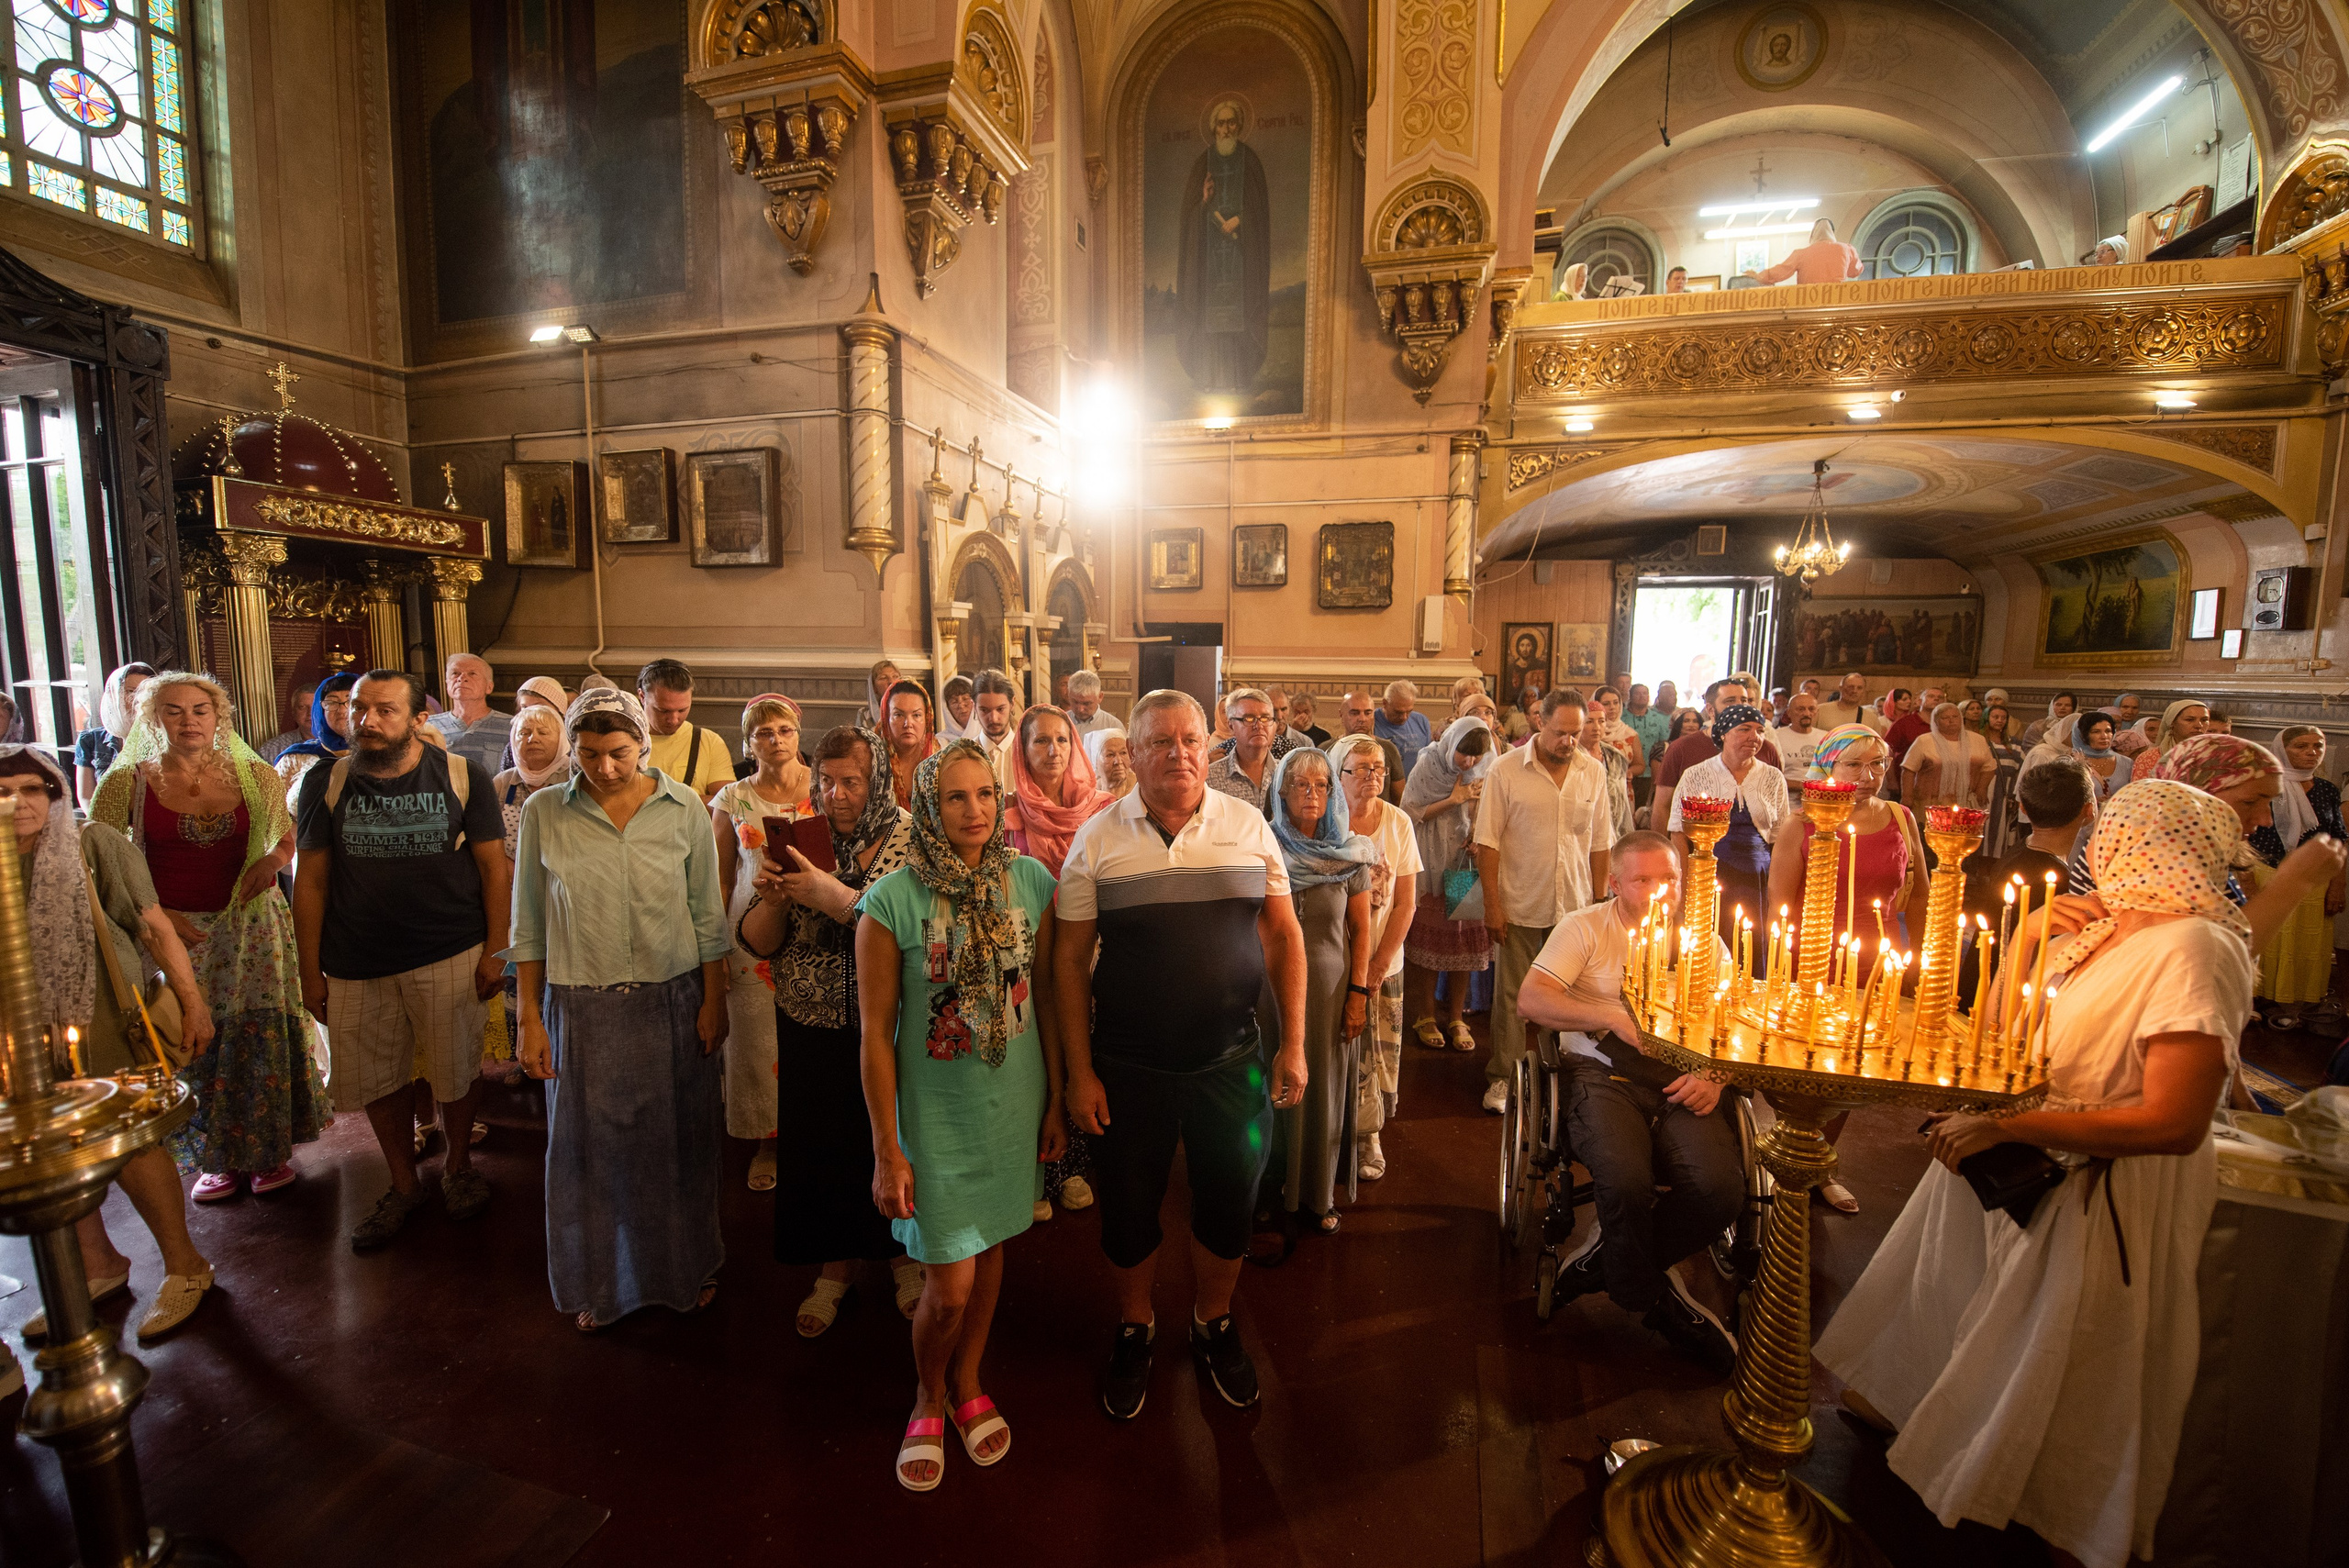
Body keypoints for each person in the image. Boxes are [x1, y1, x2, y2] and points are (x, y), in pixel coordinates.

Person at [1816, 782, 2251, 1568]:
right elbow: (1990, 1040)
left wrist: (2007, 1124)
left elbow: (2174, 1121)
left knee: (2066, 1367)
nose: (2101, 843)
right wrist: (2028, 939)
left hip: (2096, 1183)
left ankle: (2038, 1518)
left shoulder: (2195, 947)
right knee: (1965, 1325)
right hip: (2005, 1160)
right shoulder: (2099, 931)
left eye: (2114, 830)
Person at [1051, 690, 1307, 1421]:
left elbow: (1285, 937)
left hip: (1233, 1062)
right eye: (1159, 741)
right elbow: (1069, 962)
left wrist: (1292, 1043)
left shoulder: (1248, 824)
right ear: (1130, 753)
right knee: (1129, 1210)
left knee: (1229, 1202)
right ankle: (1136, 1326)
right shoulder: (1097, 840)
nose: (1178, 753)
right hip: (1127, 1067)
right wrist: (1080, 1071)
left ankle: (1213, 1321)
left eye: (1191, 738)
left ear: (1209, 743)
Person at [860, 738, 1061, 1490]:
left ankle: (970, 1381)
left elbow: (1046, 999)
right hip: (935, 1118)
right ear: (928, 807)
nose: (974, 810)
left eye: (985, 794)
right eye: (955, 797)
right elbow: (875, 1035)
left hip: (1012, 1105)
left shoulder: (1033, 882)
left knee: (995, 1241)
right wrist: (889, 1149)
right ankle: (929, 1391)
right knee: (947, 1285)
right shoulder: (892, 900)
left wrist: (1057, 1102)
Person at [512, 688, 731, 1332]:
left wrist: (714, 998)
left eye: (617, 753)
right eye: (588, 754)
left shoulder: (682, 805)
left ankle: (684, 1272)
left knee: (680, 1147)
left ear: (642, 744)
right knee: (590, 1154)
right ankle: (598, 1282)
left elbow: (706, 914)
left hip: (673, 996)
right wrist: (529, 1015)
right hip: (582, 1004)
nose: (603, 768)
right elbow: (528, 924)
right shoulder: (547, 811)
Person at [2, 746, 217, 1348]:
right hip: (19, 1030)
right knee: (53, 1152)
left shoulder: (92, 844)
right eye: (3, 791)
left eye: (31, 787)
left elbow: (154, 926)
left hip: (102, 1018)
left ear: (54, 793)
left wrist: (193, 1001)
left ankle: (185, 1265)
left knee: (129, 1143)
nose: (18, 802)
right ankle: (97, 1266)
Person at [292, 671, 508, 1250]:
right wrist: (309, 970)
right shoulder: (326, 782)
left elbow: (494, 867)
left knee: (456, 1068)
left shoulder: (462, 776)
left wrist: (497, 951)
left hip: (449, 949)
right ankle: (402, 1183)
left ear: (419, 720)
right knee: (377, 1079)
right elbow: (309, 880)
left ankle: (460, 1168)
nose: (367, 720)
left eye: (385, 710)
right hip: (357, 958)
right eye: (360, 709)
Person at [91, 673, 327, 1202]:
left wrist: (270, 860)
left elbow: (289, 838)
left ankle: (268, 1153)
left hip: (252, 928)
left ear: (219, 716)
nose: (189, 720)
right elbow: (102, 863)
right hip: (173, 934)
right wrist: (160, 912)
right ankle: (215, 1159)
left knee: (259, 1034)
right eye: (174, 711)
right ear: (153, 718)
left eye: (201, 709)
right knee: (193, 1038)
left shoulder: (255, 775)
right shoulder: (125, 783)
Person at [1516, 831, 1741, 1374]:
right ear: (1614, 883)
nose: (1658, 890)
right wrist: (1612, 1015)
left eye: (1667, 878)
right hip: (1602, 1074)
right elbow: (1531, 999)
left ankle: (1602, 1265)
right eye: (1642, 879)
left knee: (1720, 1190)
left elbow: (1735, 1021)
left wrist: (1716, 1074)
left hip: (1683, 1080)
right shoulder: (1586, 927)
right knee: (1624, 1181)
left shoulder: (1702, 941)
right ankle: (1656, 1298)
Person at [737, 725, 920, 1337]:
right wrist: (778, 898)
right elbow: (758, 941)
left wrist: (829, 892)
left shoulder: (911, 837)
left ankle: (901, 1254)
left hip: (891, 1025)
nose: (837, 794)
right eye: (826, 780)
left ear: (878, 782)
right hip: (811, 1021)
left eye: (852, 780)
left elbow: (908, 927)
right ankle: (834, 1266)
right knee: (823, 1149)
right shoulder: (798, 840)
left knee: (889, 1144)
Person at [1764, 725, 1929, 1213]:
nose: (1868, 776)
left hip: (1879, 957)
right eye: (1854, 764)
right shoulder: (1802, 824)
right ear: (1828, 765)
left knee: (1854, 1069)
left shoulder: (1900, 816)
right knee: (1805, 1068)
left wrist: (1922, 959)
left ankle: (1822, 1165)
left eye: (1877, 764)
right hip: (1813, 956)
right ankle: (1787, 1155)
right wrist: (1785, 968)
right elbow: (1779, 904)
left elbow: (1918, 891)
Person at [1252, 746, 1377, 1240]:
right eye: (1300, 785)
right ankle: (1265, 1188)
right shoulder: (1261, 849)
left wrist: (1359, 994)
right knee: (1264, 1086)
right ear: (1281, 794)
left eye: (1321, 785)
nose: (1311, 794)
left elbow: (1361, 933)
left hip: (1328, 993)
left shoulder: (1351, 853)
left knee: (1323, 1088)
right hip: (1268, 991)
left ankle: (1317, 1195)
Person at [1475, 689, 1609, 1115]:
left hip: (1574, 906)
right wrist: (1493, 906)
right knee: (1513, 996)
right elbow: (1487, 842)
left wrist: (1601, 902)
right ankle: (1504, 1077)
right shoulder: (1506, 769)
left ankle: (1570, 1075)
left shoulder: (1592, 771)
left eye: (1576, 733)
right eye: (1560, 733)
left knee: (1575, 995)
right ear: (1540, 724)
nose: (1569, 742)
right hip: (1520, 900)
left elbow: (1601, 843)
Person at [1003, 704, 1116, 1218]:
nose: (1052, 751)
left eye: (1061, 741)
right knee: (1038, 1055)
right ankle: (1036, 1170)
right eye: (1039, 742)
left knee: (1085, 1053)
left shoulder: (1102, 810)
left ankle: (1073, 1165)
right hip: (1026, 954)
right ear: (1021, 752)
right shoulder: (1005, 816)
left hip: (1089, 952)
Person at [710, 695, 815, 1193]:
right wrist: (715, 950)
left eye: (784, 730)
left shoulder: (824, 787)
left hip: (818, 927)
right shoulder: (732, 798)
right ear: (748, 742)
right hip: (749, 931)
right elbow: (721, 878)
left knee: (814, 1031)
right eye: (763, 733)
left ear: (799, 733)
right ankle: (767, 1140)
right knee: (755, 1039)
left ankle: (815, 1136)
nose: (775, 740)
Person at [1328, 734, 1419, 1183]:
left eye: (1379, 768)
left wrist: (1379, 965)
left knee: (1378, 1052)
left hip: (1385, 960)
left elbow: (1405, 903)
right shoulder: (1324, 822)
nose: (1373, 777)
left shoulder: (1398, 823)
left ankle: (1369, 1134)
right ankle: (1329, 1133)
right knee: (1335, 1050)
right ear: (1338, 774)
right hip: (1333, 962)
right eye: (1361, 769)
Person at [1402, 716, 1496, 1052]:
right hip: (1431, 862)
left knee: (1463, 942)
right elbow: (1411, 811)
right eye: (1463, 754)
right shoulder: (1429, 763)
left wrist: (1477, 833)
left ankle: (1456, 1016)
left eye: (1474, 756)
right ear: (1450, 744)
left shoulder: (1484, 765)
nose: (1469, 762)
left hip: (1463, 863)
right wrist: (1455, 799)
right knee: (1431, 944)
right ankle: (1425, 1015)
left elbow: (1490, 807)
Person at [2246, 725, 2345, 1032]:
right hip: (2267, 873)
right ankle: (2259, 1002)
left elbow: (2338, 839)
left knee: (2307, 941)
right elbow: (2245, 837)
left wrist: (2337, 885)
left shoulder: (2326, 790)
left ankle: (2296, 1003)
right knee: (2269, 939)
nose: (2311, 753)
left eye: (2318, 746)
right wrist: (2247, 880)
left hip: (2313, 879)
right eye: (2301, 746)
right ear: (2281, 749)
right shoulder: (2265, 785)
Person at [1667, 705, 1788, 938]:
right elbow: (1678, 834)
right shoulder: (1696, 774)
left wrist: (1776, 888)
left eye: (1760, 730)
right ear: (1723, 733)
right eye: (1744, 729)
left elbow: (1780, 838)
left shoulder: (1772, 776)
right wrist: (1684, 886)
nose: (1754, 737)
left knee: (1752, 942)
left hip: (1758, 878)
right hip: (1709, 873)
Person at [638, 658, 735, 801]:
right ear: (642, 697)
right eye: (663, 711)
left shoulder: (709, 742)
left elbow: (728, 804)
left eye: (682, 710)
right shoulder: (624, 740)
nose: (674, 719)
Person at [273, 671, 357, 806]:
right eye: (332, 702)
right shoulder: (296, 758)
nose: (341, 710)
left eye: (350, 701)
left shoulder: (384, 754)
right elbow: (272, 813)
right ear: (321, 710)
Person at [76, 662, 153, 805]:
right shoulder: (90, 740)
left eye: (146, 692)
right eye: (131, 691)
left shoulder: (163, 737)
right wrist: (100, 825)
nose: (138, 698)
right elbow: (86, 796)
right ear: (114, 694)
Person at [429, 654, 512, 777]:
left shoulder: (511, 726)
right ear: (447, 684)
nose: (462, 678)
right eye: (455, 673)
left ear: (489, 687)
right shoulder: (428, 726)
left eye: (472, 674)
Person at [1900, 702, 1994, 810]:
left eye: (1955, 716)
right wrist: (1907, 797)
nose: (1951, 720)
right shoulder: (1924, 741)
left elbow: (1989, 767)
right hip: (1931, 802)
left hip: (1966, 802)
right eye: (1945, 718)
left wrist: (1982, 788)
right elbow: (1909, 770)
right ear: (1936, 721)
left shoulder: (1978, 740)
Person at [1206, 687, 1283, 813]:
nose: (1258, 726)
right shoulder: (1211, 778)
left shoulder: (1287, 774)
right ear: (1231, 725)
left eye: (1265, 718)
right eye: (1249, 719)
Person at [1335, 690, 1407, 806]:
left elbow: (1400, 799)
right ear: (1341, 714)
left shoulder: (1388, 749)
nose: (1362, 719)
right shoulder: (1327, 749)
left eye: (1368, 713)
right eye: (1354, 713)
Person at [882, 680, 942, 812]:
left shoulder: (940, 762)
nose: (908, 723)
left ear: (927, 718)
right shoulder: (873, 761)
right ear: (886, 717)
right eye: (898, 715)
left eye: (916, 715)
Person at [1980, 703, 2026, 861]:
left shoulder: (2014, 745)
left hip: (2004, 794)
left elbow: (2020, 771)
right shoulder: (1979, 741)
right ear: (1987, 718)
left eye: (2003, 718)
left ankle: (1992, 869)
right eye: (1995, 717)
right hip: (1983, 792)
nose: (1999, 720)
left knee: (1999, 834)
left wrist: (2015, 795)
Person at [1754, 217, 1862, 285]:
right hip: (1837, 300)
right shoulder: (1847, 249)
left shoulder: (1801, 254)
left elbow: (1781, 271)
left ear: (1813, 234)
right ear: (1833, 233)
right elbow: (1855, 272)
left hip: (1809, 302)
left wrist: (1758, 276)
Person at [498, 675, 573, 772]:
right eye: (525, 707)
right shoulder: (514, 747)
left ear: (559, 710)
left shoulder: (574, 744)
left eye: (539, 706)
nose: (531, 712)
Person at [968, 670, 1020, 790]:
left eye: (1000, 709)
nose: (993, 718)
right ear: (974, 706)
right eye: (984, 710)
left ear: (1012, 703)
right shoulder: (965, 754)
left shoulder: (1027, 753)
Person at [1376, 680, 1433, 781]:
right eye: (1398, 712)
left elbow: (1428, 758)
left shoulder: (1421, 721)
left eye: (1409, 711)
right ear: (1385, 703)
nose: (1404, 717)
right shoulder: (1371, 722)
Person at [2072, 712, 2133, 804]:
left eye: (2108, 731)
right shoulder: (2069, 763)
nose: (2104, 736)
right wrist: (2093, 803)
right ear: (2082, 735)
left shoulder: (2127, 763)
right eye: (2096, 732)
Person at [1771, 687, 1824, 779]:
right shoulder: (1775, 737)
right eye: (1801, 709)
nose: (1807, 714)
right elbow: (1769, 777)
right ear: (1789, 712)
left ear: (1817, 712)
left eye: (1811, 709)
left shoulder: (1826, 738)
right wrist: (1802, 786)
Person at [260, 679, 318, 762]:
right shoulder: (269, 750)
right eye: (302, 707)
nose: (310, 713)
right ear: (293, 712)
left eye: (315, 707)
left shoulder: (341, 745)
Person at [2143, 698, 2210, 766]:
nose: (2199, 725)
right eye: (2189, 720)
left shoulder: (2215, 755)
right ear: (2172, 722)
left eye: (2204, 720)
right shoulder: (2149, 758)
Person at [1815, 673, 1887, 734]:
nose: (1854, 691)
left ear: (1864, 691)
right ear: (1841, 688)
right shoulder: (1819, 711)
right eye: (1850, 687)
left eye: (1859, 688)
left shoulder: (1871, 719)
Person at [1064, 669, 1119, 740]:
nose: (1080, 709)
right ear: (1069, 695)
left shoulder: (1113, 726)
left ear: (1100, 697)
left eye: (1087, 703)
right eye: (1075, 702)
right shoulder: (1060, 722)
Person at [1086, 728, 1134, 799]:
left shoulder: (1141, 788)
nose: (1118, 761)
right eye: (1110, 755)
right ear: (1095, 762)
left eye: (1123, 753)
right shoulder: (1089, 794)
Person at [859, 658, 903, 730]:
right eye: (883, 678)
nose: (891, 682)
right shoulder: (865, 715)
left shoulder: (912, 710)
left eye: (895, 676)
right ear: (874, 687)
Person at [940, 674, 978, 742]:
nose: (961, 705)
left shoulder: (988, 736)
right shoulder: (940, 742)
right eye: (954, 702)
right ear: (947, 708)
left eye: (965, 699)